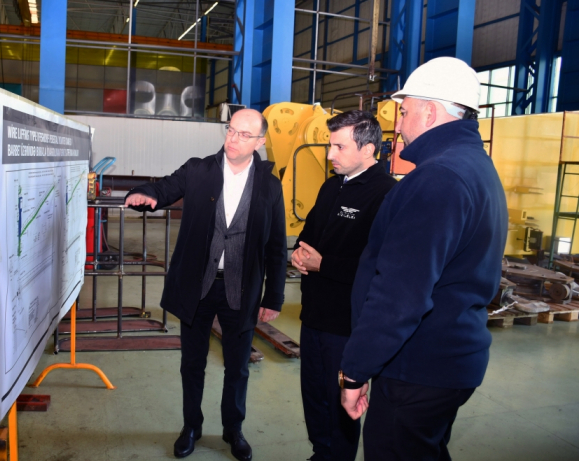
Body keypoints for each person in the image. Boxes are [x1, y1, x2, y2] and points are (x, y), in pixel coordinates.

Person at [339, 56, 508, 460]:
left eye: (404, 110)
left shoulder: (437, 179)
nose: (398, 123)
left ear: (430, 112)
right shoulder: (475, 167)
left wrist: (356, 369)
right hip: (446, 362)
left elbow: (400, 295)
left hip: (417, 367)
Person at [125, 108, 287, 461]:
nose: (233, 138)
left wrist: (274, 296)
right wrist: (144, 193)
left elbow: (276, 245)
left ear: (260, 142)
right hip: (197, 287)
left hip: (240, 291)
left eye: (244, 135)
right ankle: (191, 427)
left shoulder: (269, 186)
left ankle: (234, 429)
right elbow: (165, 187)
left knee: (238, 366)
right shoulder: (199, 170)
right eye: (231, 130)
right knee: (192, 363)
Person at [292, 110, 396, 461]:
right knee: (314, 395)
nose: (329, 154)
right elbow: (309, 234)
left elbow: (382, 268)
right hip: (314, 314)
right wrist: (298, 252)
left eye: (339, 146)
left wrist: (324, 264)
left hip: (348, 323)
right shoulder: (331, 185)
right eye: (329, 145)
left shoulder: (386, 195)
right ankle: (321, 453)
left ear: (367, 149)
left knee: (340, 400)